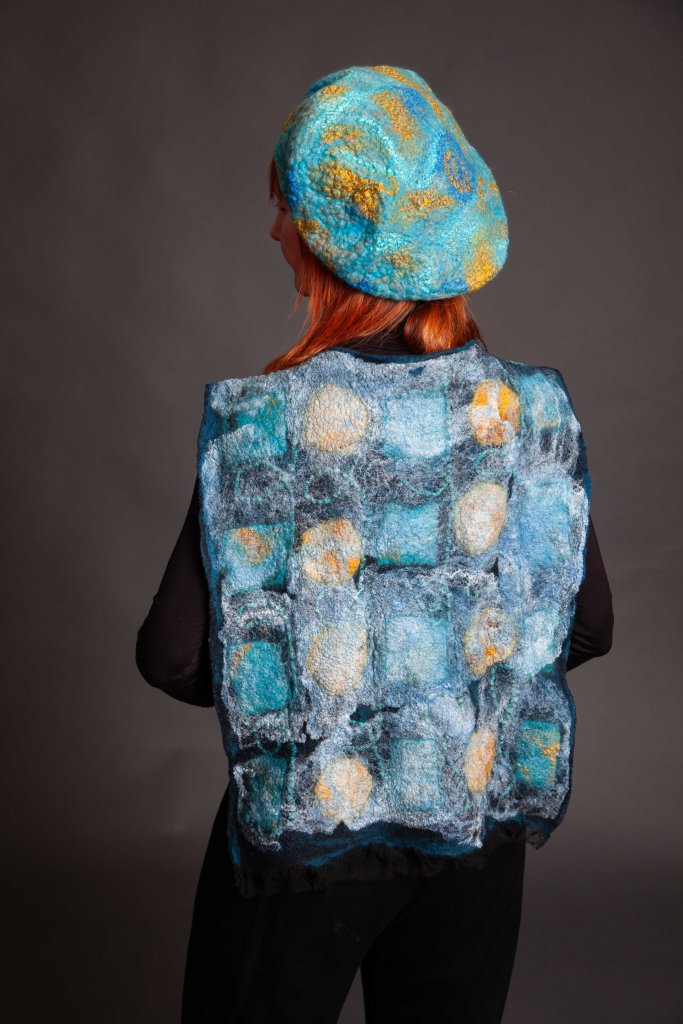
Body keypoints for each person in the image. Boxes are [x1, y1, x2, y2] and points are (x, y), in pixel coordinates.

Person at [136, 65, 614, 1024]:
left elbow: (173, 655)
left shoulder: (268, 428)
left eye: (286, 208)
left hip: (306, 838)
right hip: (473, 825)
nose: (274, 229)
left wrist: (315, 687)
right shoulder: (524, 413)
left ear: (332, 240)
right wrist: (448, 675)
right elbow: (585, 625)